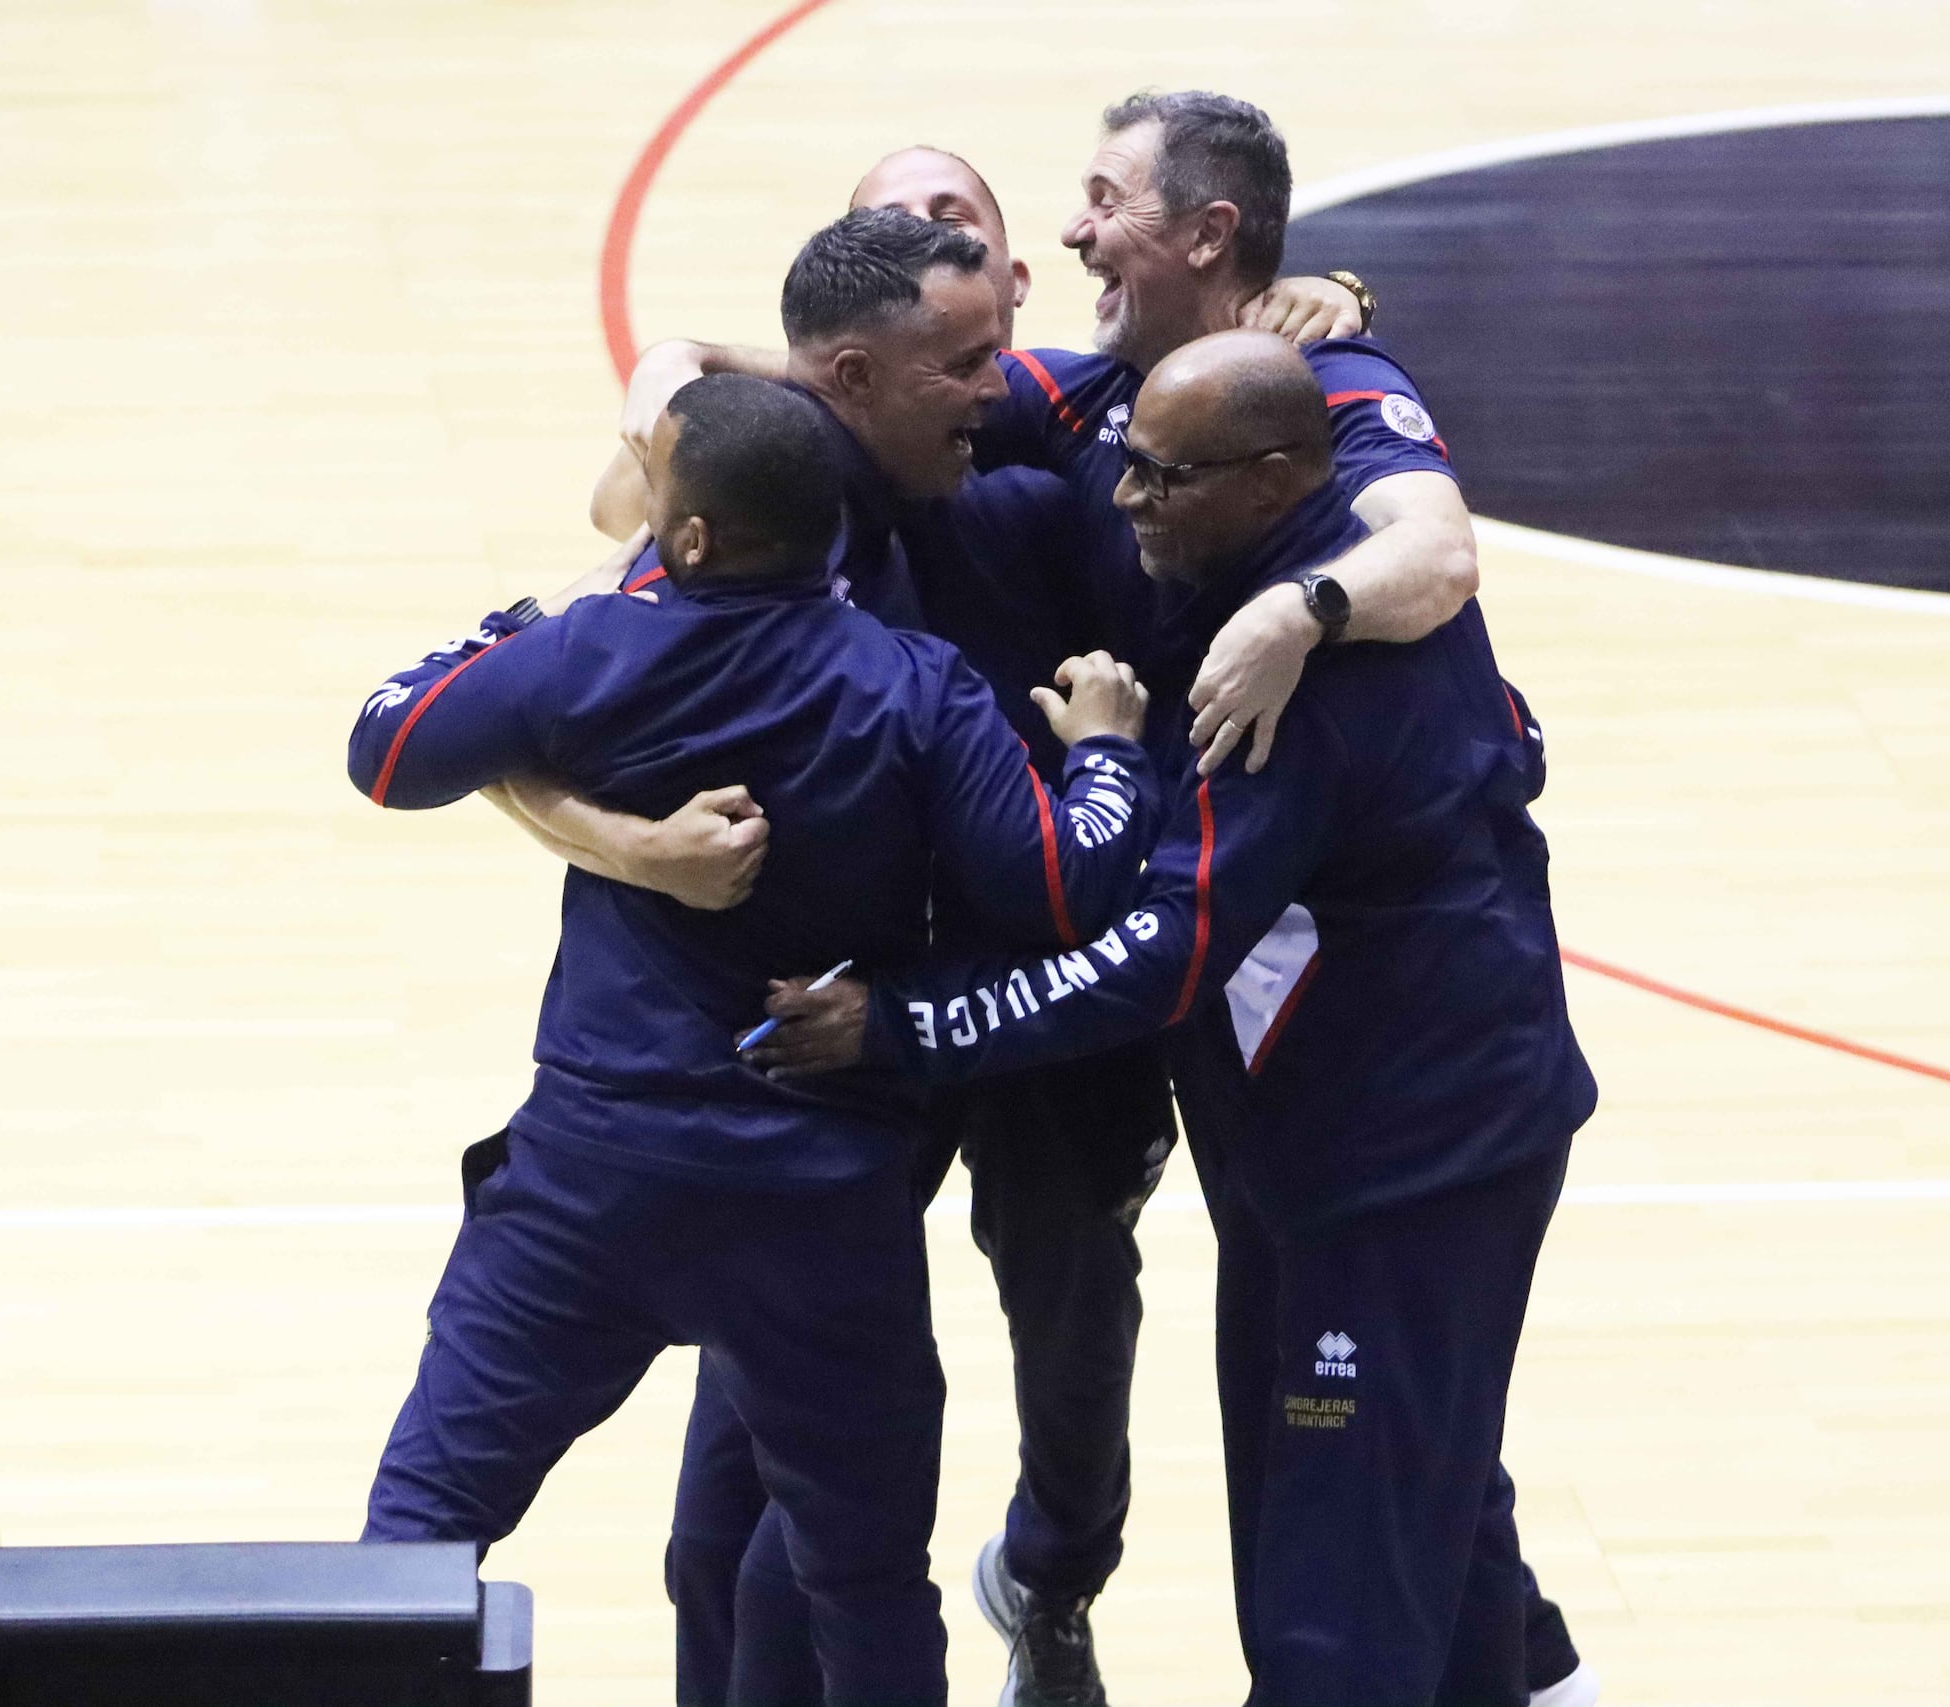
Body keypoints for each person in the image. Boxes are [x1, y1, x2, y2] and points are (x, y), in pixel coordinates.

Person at [566, 112, 1599, 1707]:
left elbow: (1432, 552)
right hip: (1086, 1053)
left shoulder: (1275, 494)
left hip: (1259, 1055)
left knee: (1179, 1387)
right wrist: (658, 424)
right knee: (770, 1490)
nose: (1118, 496)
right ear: (854, 351)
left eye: (1074, 212)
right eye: (914, 261)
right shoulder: (881, 461)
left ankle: (1053, 1574)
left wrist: (1295, 609)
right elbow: (558, 638)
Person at [346, 372, 1161, 1707]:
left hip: (590, 1191)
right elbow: (1062, 891)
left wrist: (500, 634)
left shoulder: (591, 651)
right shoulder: (916, 685)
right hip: (817, 1207)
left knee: (416, 1540)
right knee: (868, 1589)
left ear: (694, 539)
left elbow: (388, 750)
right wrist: (1111, 753)